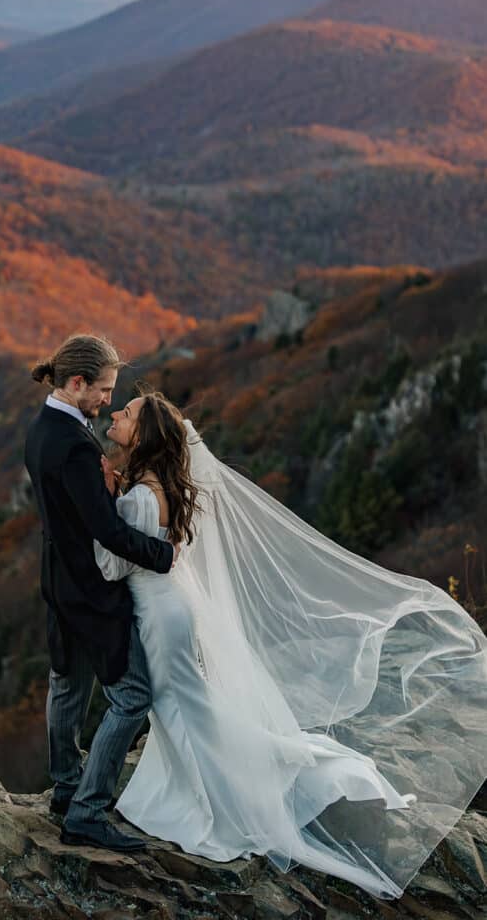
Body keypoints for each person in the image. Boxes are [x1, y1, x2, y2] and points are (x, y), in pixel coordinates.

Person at [94, 388, 487, 899]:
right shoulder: (159, 484)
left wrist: (104, 507)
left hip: (159, 614)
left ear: (144, 434)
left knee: (179, 710)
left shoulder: (140, 497)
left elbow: (113, 565)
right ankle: (240, 779)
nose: (117, 414)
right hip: (173, 607)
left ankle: (230, 807)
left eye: (126, 413)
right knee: (188, 707)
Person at [24, 335, 177, 854]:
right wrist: (164, 556)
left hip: (58, 579)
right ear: (76, 383)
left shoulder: (42, 429)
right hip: (90, 588)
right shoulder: (73, 445)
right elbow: (107, 531)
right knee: (132, 698)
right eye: (103, 390)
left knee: (67, 682)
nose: (107, 402)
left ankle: (67, 789)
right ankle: (87, 812)